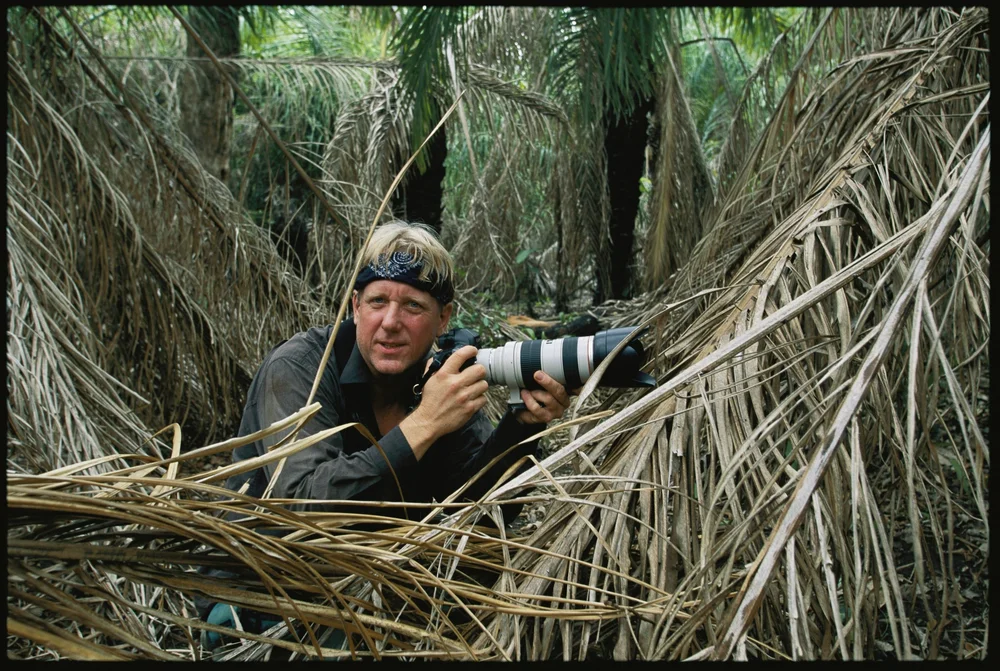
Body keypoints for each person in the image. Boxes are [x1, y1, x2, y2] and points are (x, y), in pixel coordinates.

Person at [198, 221, 572, 651]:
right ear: (355, 306)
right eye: (377, 301)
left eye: (413, 306)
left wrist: (519, 429)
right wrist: (424, 424)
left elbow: (476, 513)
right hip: (265, 587)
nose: (390, 323)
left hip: (374, 585)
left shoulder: (440, 377)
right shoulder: (300, 367)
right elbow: (302, 507)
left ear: (443, 317)